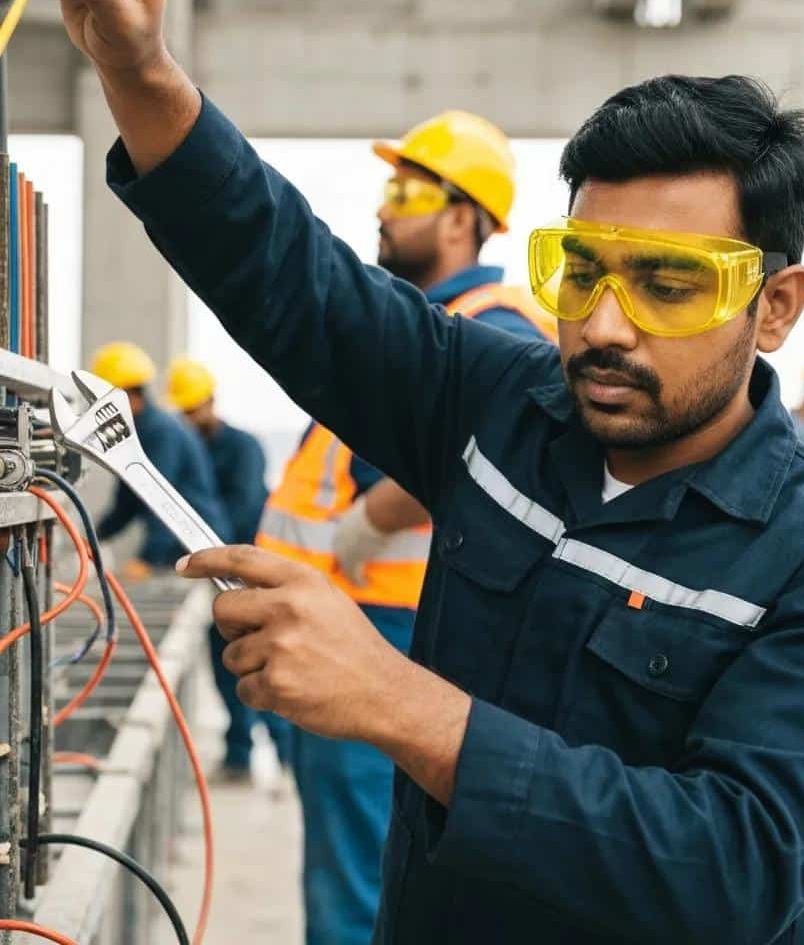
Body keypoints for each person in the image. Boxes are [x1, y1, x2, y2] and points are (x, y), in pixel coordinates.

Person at [22, 0, 804, 941]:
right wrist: (140, 70)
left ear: (775, 307)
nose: (605, 325)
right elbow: (295, 280)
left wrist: (398, 702)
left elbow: (735, 870)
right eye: (581, 271)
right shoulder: (500, 406)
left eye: (668, 284)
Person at [254, 115, 553, 942]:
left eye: (406, 192)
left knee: (357, 879)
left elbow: (490, 437)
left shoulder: (490, 326)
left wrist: (364, 521)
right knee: (351, 862)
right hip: (361, 618)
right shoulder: (428, 321)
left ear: (461, 218)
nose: (384, 209)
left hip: (395, 627)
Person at [166, 357, 292, 783]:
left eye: (193, 409)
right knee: (226, 666)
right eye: (184, 411)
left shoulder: (243, 448)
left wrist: (212, 549)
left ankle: (285, 755)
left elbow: (241, 507)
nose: (189, 418)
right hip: (213, 573)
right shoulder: (190, 447)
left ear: (210, 402)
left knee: (263, 664)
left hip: (249, 572)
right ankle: (239, 755)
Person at [90, 340, 231, 580]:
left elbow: (162, 498)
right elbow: (128, 501)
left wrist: (147, 559)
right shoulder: (139, 433)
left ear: (126, 396)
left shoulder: (161, 433)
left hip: (201, 550)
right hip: (181, 551)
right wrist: (95, 537)